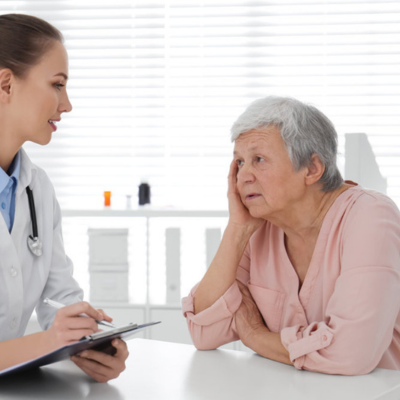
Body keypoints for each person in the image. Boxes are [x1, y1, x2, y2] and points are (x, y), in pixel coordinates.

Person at [182, 96, 400, 375]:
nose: (243, 176)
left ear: (312, 168)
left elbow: (351, 354)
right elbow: (204, 331)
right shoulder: (259, 227)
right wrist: (237, 228)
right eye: (239, 162)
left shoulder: (370, 216)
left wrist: (252, 333)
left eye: (258, 159)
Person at [0, 14, 128, 382]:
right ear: (6, 84)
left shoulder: (36, 187)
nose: (67, 104)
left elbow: (59, 297)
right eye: (57, 84)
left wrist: (88, 341)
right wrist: (50, 341)